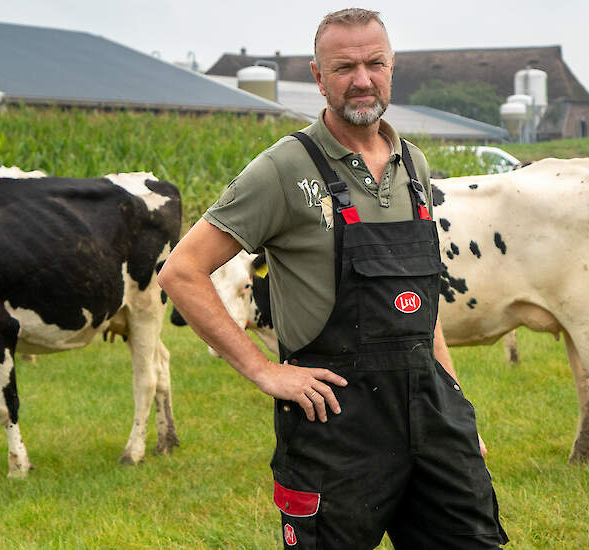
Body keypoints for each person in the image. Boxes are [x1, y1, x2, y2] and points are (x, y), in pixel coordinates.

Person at [157, 8, 508, 549]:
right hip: (336, 427)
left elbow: (418, 305)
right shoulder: (283, 169)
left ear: (392, 69)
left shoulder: (413, 165)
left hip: (433, 418)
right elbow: (181, 271)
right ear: (318, 79)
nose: (362, 80)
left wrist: (454, 405)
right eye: (344, 67)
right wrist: (265, 371)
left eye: (374, 63)